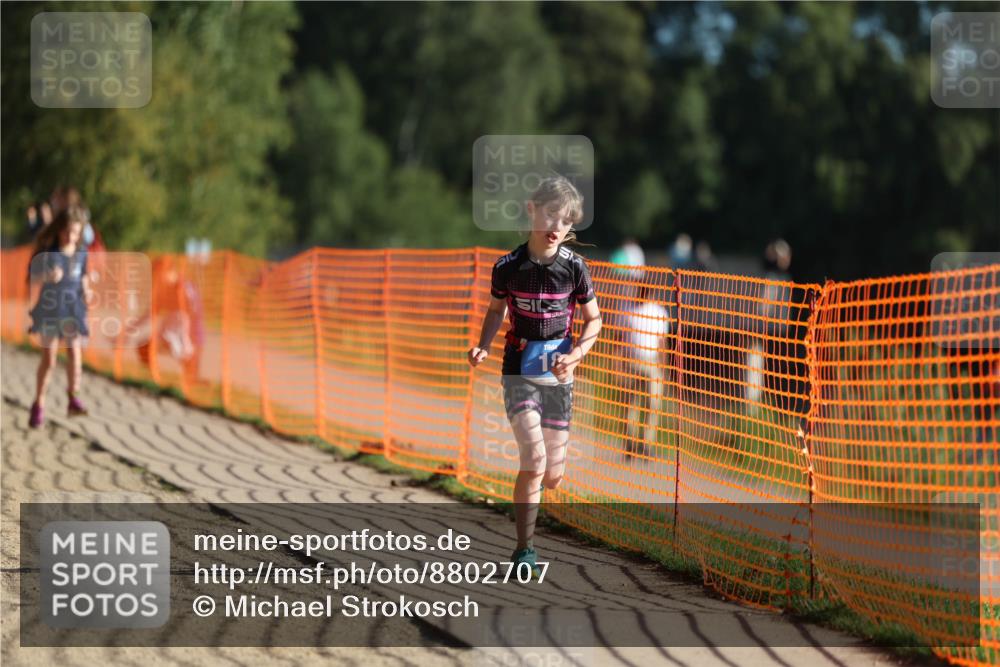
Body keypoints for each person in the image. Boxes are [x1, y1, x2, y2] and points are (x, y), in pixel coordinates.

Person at [468, 175, 602, 577]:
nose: (556, 226)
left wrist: (576, 354)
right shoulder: (508, 268)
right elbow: (496, 311)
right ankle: (524, 550)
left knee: (554, 476)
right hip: (519, 370)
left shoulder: (575, 268)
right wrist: (484, 345)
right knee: (534, 459)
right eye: (549, 215)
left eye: (565, 220)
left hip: (559, 376)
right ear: (532, 211)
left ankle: (537, 500)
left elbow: (595, 320)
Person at [27, 205, 92, 428]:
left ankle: (73, 397)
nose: (70, 236)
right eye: (66, 231)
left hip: (72, 309)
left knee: (75, 351)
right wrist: (47, 276)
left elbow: (83, 277)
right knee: (50, 360)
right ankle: (39, 403)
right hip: (51, 310)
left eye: (75, 232)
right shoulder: (49, 253)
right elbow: (32, 278)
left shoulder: (82, 253)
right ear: (58, 230)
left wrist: (88, 291)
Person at [621, 283, 670, 457]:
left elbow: (662, 342)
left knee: (653, 405)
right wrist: (618, 362)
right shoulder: (628, 310)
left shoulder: (659, 312)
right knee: (630, 404)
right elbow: (619, 338)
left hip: (652, 363)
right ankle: (630, 444)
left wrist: (663, 367)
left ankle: (647, 444)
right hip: (632, 362)